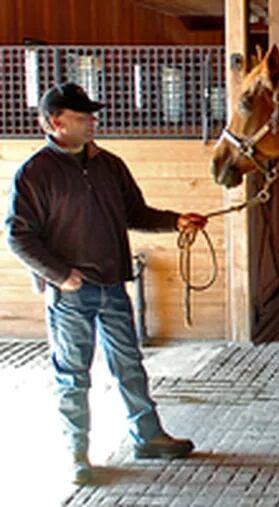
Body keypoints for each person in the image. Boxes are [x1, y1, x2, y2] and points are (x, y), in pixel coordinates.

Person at [4, 82, 208, 485]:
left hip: (113, 285)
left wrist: (176, 221)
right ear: (56, 122)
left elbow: (136, 212)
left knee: (129, 364)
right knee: (72, 374)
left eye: (91, 116)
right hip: (70, 293)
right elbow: (18, 236)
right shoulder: (35, 173)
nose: (92, 122)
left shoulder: (109, 165)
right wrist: (61, 275)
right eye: (82, 117)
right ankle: (77, 453)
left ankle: (148, 437)